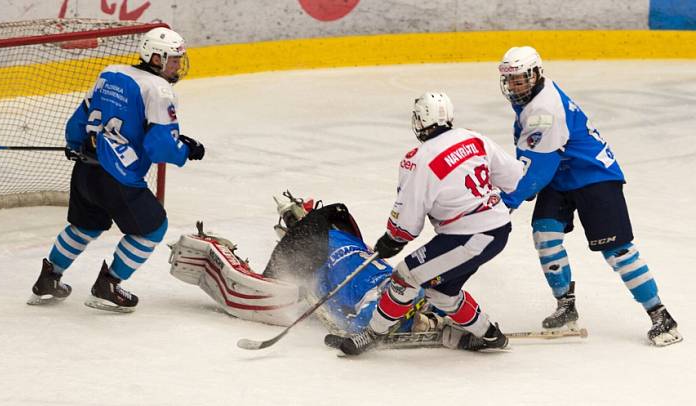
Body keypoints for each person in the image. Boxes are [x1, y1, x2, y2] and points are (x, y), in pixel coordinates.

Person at [497, 46, 681, 346]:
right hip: (561, 174)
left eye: (521, 78)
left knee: (618, 251)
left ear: (537, 75)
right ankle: (566, 306)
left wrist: (508, 201)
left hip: (594, 175)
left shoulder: (545, 109)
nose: (515, 85)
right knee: (545, 235)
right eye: (511, 80)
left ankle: (660, 314)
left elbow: (538, 170)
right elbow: (533, 159)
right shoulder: (531, 101)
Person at [27, 27, 205, 313]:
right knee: (153, 228)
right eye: (173, 59)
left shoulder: (111, 73)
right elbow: (160, 147)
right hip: (119, 175)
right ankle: (108, 285)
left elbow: (79, 118)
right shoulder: (159, 90)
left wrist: (74, 144)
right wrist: (187, 150)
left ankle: (49, 279)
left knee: (86, 226)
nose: (177, 66)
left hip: (86, 169)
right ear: (156, 58)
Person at [338, 92, 524, 355]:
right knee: (442, 295)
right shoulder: (473, 137)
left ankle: (372, 333)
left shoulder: (419, 159)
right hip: (496, 230)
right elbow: (514, 177)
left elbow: (407, 222)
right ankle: (490, 336)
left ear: (421, 120)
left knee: (405, 277)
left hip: (470, 238)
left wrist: (392, 239)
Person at [167, 191, 436, 334]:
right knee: (420, 299)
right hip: (401, 286)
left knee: (365, 322)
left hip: (379, 298)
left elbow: (343, 321)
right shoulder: (342, 234)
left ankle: (422, 319)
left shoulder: (315, 249)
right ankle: (432, 318)